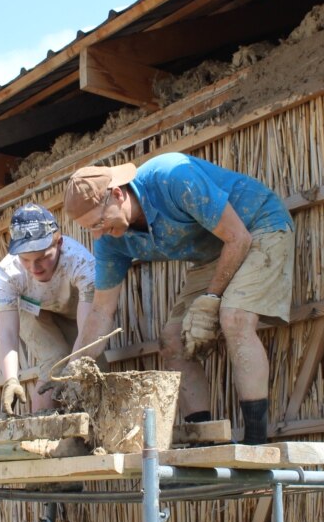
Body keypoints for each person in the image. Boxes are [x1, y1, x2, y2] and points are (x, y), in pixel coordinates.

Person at [63, 152, 294, 444]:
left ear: (118, 195)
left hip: (257, 226)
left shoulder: (172, 177)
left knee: (234, 317)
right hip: (214, 253)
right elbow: (100, 311)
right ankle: (205, 439)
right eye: (90, 229)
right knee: (172, 340)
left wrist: (212, 297)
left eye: (98, 223)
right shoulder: (111, 240)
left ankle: (257, 442)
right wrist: (76, 366)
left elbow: (238, 238)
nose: (97, 235)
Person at [0, 202, 97, 416]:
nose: (34, 268)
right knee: (55, 363)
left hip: (73, 310)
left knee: (90, 369)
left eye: (42, 258)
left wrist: (76, 367)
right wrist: (10, 380)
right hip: (32, 311)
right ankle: (42, 437)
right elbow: (8, 333)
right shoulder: (7, 274)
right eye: (25, 260)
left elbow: (89, 329)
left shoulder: (81, 263)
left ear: (58, 243)